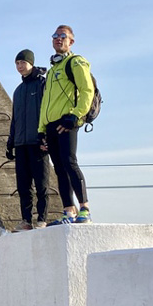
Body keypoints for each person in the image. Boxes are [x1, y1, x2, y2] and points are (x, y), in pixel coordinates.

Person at [38, 25, 94, 225]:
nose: (58, 39)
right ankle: (68, 210)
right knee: (59, 169)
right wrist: (41, 130)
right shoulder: (52, 71)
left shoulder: (76, 62)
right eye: (55, 36)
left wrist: (75, 116)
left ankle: (84, 208)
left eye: (63, 36)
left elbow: (87, 90)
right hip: (51, 125)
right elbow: (46, 103)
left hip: (67, 122)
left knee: (70, 163)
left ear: (71, 41)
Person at [6, 50, 50, 230]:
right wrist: (11, 142)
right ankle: (26, 220)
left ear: (31, 63)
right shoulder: (19, 90)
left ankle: (42, 218)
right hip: (21, 143)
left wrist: (46, 137)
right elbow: (15, 119)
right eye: (17, 63)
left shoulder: (42, 84)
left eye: (22, 62)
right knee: (23, 186)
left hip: (37, 141)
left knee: (41, 184)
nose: (19, 66)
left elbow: (47, 112)